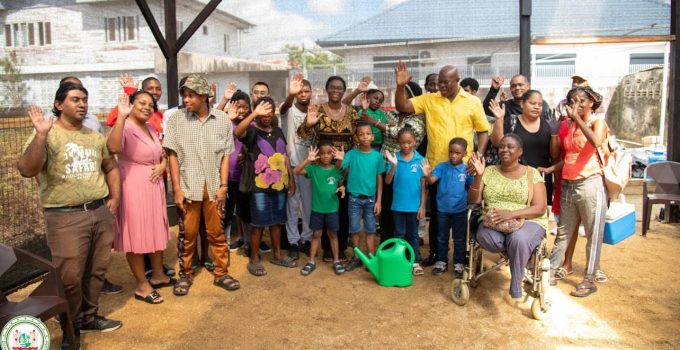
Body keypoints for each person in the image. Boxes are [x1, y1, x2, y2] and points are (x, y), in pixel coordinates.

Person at [18, 83, 123, 349]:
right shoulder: (47, 134)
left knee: (96, 271)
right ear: (59, 104)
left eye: (85, 100)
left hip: (99, 212)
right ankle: (70, 327)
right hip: (65, 218)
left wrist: (115, 198)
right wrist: (41, 136)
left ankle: (89, 318)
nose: (82, 104)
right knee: (69, 278)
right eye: (75, 99)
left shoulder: (94, 136)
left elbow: (110, 167)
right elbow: (27, 170)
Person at [394, 61, 490, 267]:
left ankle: (464, 255)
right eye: (439, 82)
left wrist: (478, 156)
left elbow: (483, 131)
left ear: (457, 81)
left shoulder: (472, 101)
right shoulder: (430, 99)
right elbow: (403, 106)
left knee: (465, 213)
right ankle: (438, 254)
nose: (441, 86)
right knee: (438, 215)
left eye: (446, 83)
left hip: (465, 168)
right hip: (437, 168)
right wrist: (401, 86)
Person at [163, 74, 239, 296]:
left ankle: (221, 273)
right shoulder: (177, 119)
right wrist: (176, 190)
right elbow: (173, 156)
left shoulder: (223, 120)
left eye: (191, 95)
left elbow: (226, 156)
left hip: (214, 186)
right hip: (188, 187)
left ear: (204, 96)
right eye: (184, 95)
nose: (186, 100)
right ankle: (185, 275)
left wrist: (224, 186)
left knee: (216, 233)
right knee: (188, 234)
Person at [107, 91, 172, 304]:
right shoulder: (124, 126)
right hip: (133, 185)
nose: (147, 107)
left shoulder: (151, 127)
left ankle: (158, 275)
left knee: (154, 229)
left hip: (154, 187)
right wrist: (122, 117)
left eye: (151, 104)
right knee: (135, 234)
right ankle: (142, 286)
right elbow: (113, 148)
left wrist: (163, 164)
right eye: (141, 103)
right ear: (131, 105)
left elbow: (161, 154)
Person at [468, 134, 548, 301]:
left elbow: (540, 208)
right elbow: (473, 200)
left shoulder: (532, 173)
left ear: (520, 151)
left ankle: (516, 284)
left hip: (528, 220)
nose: (504, 149)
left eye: (510, 146)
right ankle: (517, 252)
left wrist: (510, 215)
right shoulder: (488, 171)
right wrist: (478, 175)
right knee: (487, 237)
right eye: (502, 146)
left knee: (518, 239)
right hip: (493, 221)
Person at [549, 86, 608, 298]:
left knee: (593, 234)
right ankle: (552, 271)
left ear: (591, 102)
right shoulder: (570, 125)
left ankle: (590, 279)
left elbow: (596, 142)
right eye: (572, 100)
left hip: (590, 183)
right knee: (563, 230)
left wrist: (577, 119)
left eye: (582, 100)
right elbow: (570, 156)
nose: (577, 104)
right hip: (568, 184)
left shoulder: (596, 122)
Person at [298, 76, 359, 262]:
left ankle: (339, 248)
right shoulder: (318, 110)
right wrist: (308, 123)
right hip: (322, 167)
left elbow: (356, 140)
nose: (336, 90)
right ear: (326, 89)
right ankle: (326, 248)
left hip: (344, 166)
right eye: (332, 87)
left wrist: (350, 163)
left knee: (341, 207)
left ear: (344, 91)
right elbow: (301, 135)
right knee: (324, 205)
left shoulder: (352, 112)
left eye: (340, 88)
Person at [235, 96, 297, 276]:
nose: (267, 115)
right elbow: (238, 132)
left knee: (277, 222)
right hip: (259, 187)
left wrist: (291, 179)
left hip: (279, 186)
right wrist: (254, 113)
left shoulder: (277, 130)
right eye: (263, 111)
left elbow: (284, 156)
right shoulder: (252, 131)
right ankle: (254, 258)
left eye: (270, 111)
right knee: (258, 224)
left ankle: (277, 256)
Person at [488, 90, 559, 204]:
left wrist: (554, 133)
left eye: (540, 104)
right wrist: (499, 119)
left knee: (538, 216)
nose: (536, 107)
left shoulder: (547, 125)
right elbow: (497, 143)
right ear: (522, 104)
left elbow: (555, 155)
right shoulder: (511, 122)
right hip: (514, 180)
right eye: (532, 103)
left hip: (541, 180)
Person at [333, 124, 385, 272]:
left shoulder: (377, 156)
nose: (365, 136)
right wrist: (339, 159)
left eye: (368, 133)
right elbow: (339, 168)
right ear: (357, 137)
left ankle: (370, 257)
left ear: (373, 137)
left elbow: (379, 178)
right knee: (355, 229)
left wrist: (379, 201)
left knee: (370, 230)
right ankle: (357, 257)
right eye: (361, 134)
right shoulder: (351, 154)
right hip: (354, 199)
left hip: (370, 199)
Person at [379, 81, 425, 243]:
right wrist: (385, 126)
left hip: (405, 171)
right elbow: (389, 128)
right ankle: (388, 247)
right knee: (387, 212)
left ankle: (408, 252)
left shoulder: (419, 119)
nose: (399, 99)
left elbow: (399, 132)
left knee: (406, 217)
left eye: (403, 95)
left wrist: (381, 125)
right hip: (387, 168)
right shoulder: (391, 114)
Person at [422, 137, 473, 277]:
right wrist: (427, 175)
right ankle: (441, 261)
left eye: (457, 153)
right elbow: (432, 180)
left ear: (464, 153)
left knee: (459, 238)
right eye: (451, 152)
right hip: (442, 210)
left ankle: (458, 263)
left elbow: (471, 186)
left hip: (460, 211)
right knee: (442, 237)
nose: (453, 155)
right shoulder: (441, 167)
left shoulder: (467, 169)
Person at [293, 141, 347, 276]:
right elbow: (296, 171)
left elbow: (340, 170)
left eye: (329, 153)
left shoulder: (336, 169)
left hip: (332, 209)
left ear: (333, 155)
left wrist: (341, 159)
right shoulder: (313, 169)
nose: (325, 156)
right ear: (318, 155)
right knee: (316, 235)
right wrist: (307, 160)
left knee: (333, 235)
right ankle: (311, 261)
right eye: (322, 153)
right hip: (317, 209)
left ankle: (336, 261)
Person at [280, 73, 314, 260]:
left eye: (306, 91)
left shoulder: (315, 111)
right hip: (292, 166)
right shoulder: (290, 110)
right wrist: (290, 94)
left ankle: (306, 240)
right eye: (299, 91)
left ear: (311, 93)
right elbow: (284, 107)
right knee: (292, 206)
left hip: (310, 167)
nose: (303, 94)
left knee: (308, 206)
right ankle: (293, 241)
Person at [384, 128, 427, 275]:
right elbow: (387, 181)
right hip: (398, 206)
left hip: (414, 207)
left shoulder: (420, 160)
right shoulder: (394, 158)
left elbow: (423, 186)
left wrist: (422, 206)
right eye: (403, 142)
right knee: (399, 234)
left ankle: (415, 261)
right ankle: (400, 259)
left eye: (409, 142)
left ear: (414, 142)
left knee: (413, 234)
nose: (406, 145)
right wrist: (394, 165)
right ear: (398, 143)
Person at [222, 90, 252, 253]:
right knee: (226, 212)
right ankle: (223, 244)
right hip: (227, 177)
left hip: (245, 178)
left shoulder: (251, 125)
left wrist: (246, 154)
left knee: (244, 211)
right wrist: (228, 118)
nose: (242, 110)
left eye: (245, 107)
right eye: (238, 107)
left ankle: (247, 241)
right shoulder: (225, 123)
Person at [483, 75, 553, 122]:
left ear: (528, 86)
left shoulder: (540, 104)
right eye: (513, 86)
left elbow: (548, 124)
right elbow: (487, 109)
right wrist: (494, 90)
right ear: (510, 89)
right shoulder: (504, 106)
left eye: (520, 85)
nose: (517, 88)